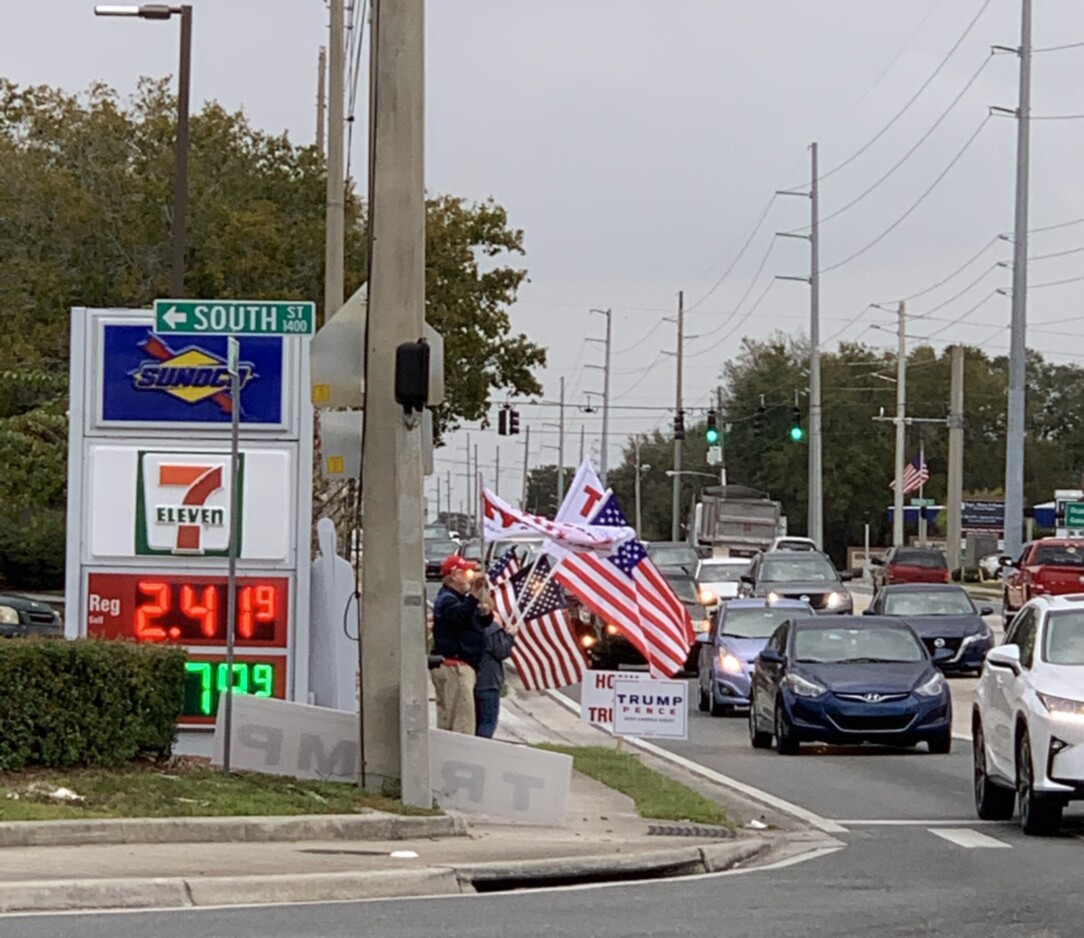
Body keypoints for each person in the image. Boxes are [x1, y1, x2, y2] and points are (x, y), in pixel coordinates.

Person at [430, 554, 491, 734]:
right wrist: (473, 596)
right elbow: (459, 616)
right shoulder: (447, 599)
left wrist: (484, 612)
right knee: (461, 723)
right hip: (454, 667)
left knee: (450, 720)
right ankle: (457, 758)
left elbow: (477, 623)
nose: (470, 576)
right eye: (467, 572)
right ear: (454, 575)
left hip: (462, 666)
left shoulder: (460, 600)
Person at [474, 602, 518, 738]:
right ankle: (481, 749)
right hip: (488, 681)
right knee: (488, 721)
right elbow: (501, 651)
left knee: (475, 720)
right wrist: (510, 636)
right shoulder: (492, 628)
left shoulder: (471, 625)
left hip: (472, 678)